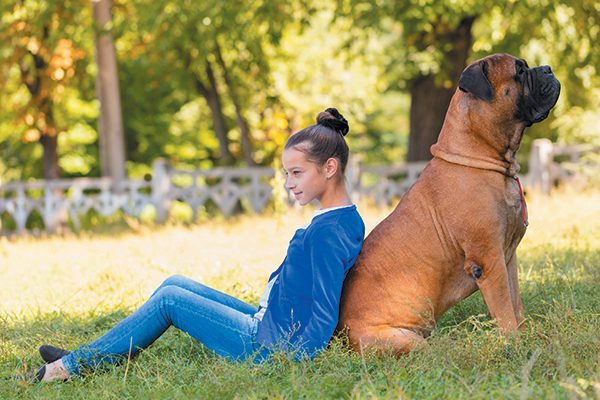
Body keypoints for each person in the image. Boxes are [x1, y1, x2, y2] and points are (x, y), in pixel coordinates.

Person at [30, 108, 365, 382]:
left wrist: (287, 363)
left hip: (266, 342)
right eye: (286, 174)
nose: (289, 184)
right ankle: (97, 353)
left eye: (296, 173)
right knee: (173, 283)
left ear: (330, 167)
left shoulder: (328, 231)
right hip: (269, 320)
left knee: (170, 301)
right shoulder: (340, 218)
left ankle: (70, 367)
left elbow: (324, 314)